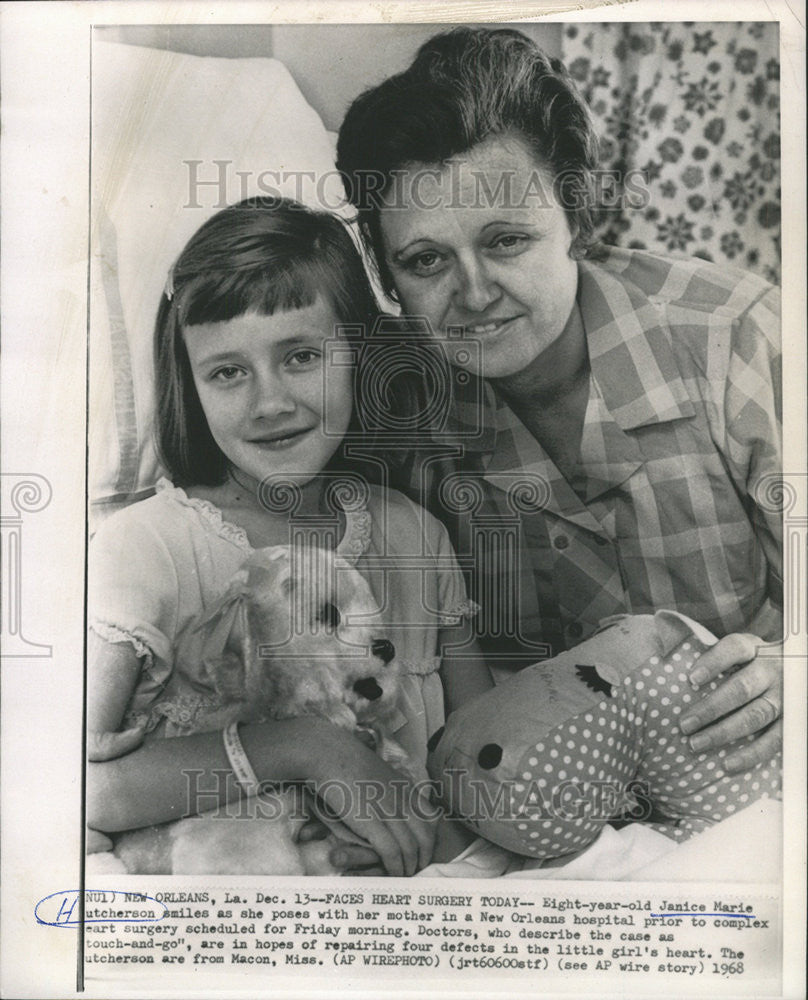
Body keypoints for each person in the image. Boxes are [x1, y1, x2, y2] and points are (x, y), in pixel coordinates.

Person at [336, 25, 783, 774]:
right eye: (426, 260)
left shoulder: (737, 338)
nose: (473, 294)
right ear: (387, 278)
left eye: (506, 240)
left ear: (577, 216)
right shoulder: (393, 414)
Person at [87, 197, 492, 876]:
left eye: (301, 356)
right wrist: (303, 748)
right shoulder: (144, 550)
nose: (270, 402)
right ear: (191, 384)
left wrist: (423, 841)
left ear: (360, 355)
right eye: (227, 372)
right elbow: (66, 788)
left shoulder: (415, 534)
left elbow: (483, 758)